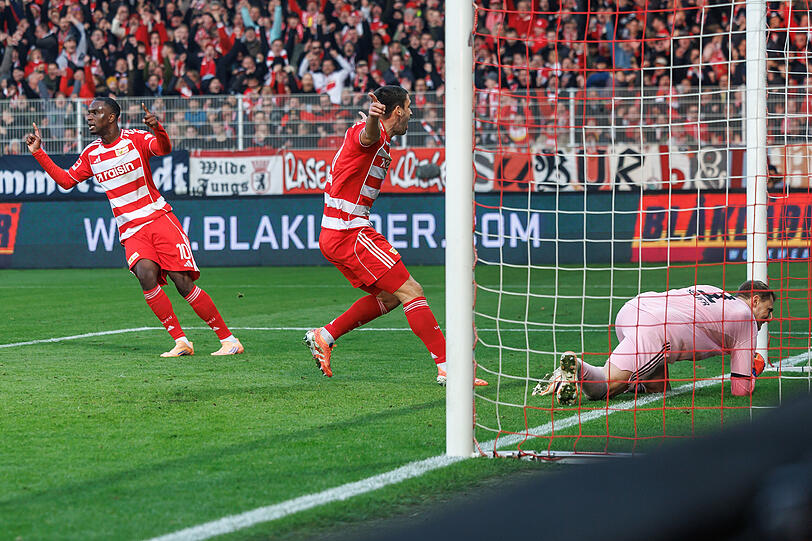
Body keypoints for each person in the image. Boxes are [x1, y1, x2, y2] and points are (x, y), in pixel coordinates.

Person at [25, 97, 244, 357]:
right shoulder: (91, 154)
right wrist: (39, 152)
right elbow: (66, 180)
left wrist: (158, 129)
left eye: (96, 112)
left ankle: (229, 340)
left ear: (112, 117)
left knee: (182, 282)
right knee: (145, 275)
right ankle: (181, 341)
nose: (89, 117)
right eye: (89, 112)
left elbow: (162, 149)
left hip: (159, 219)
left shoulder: (135, 139)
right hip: (131, 230)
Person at [303, 85, 487, 387]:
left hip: (338, 232)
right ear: (397, 111)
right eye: (409, 106)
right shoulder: (369, 134)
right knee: (412, 291)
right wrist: (374, 120)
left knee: (389, 298)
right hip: (349, 231)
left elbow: (368, 137)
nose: (412, 112)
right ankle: (448, 368)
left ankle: (325, 336)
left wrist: (372, 123)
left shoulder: (374, 136)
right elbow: (368, 137)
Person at [534, 280, 775, 403]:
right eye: (768, 309)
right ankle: (578, 367)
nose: (770, 318)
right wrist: (752, 372)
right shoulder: (746, 318)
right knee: (604, 389)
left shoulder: (714, 290)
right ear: (754, 300)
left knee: (659, 390)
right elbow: (740, 390)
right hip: (656, 331)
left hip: (634, 308)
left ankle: (633, 380)